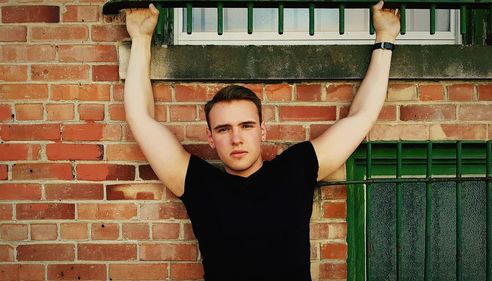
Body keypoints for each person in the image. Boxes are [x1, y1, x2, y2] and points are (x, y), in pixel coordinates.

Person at [124, 2, 400, 280]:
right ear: (210, 138)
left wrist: (385, 39)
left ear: (262, 131)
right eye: (223, 129)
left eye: (246, 126)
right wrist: (141, 38)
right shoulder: (199, 184)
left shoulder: (295, 170)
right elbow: (141, 119)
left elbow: (361, 117)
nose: (236, 138)